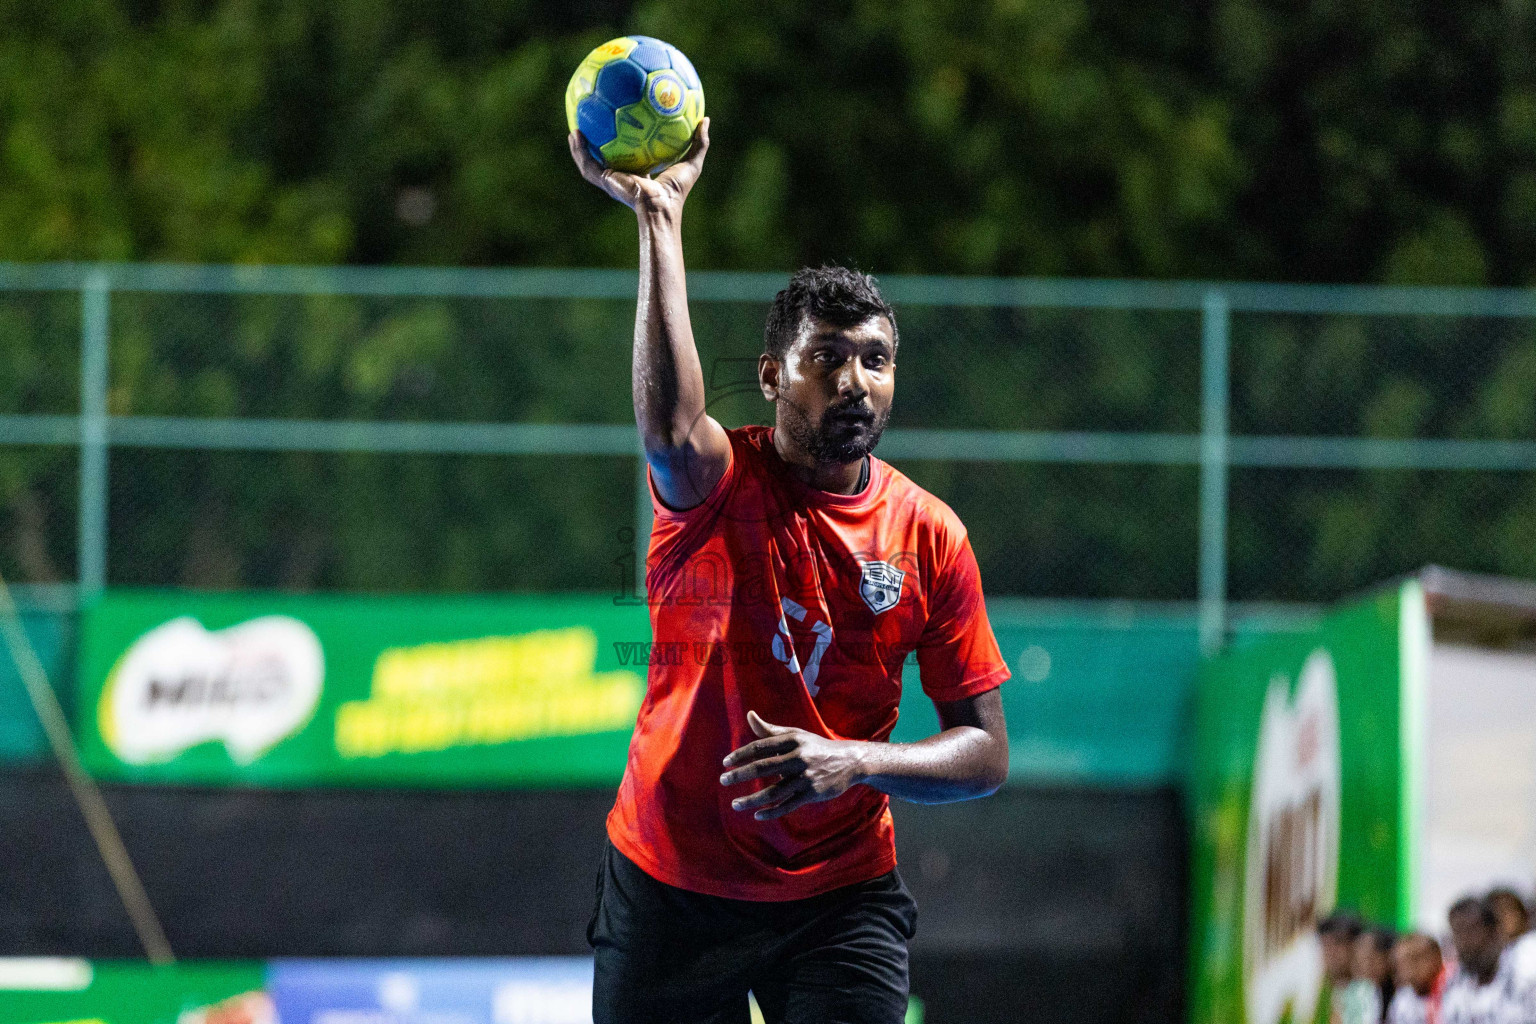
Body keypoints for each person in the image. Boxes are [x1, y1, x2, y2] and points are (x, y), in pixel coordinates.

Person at [570, 119, 1012, 1024]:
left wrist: (854, 762)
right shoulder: (711, 482)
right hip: (671, 881)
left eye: (877, 361)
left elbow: (986, 752)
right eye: (828, 359)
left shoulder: (930, 535)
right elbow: (664, 423)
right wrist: (660, 222)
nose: (856, 381)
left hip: (839, 897)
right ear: (772, 374)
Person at [1442, 896, 1511, 1024]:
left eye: (1470, 931)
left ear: (1494, 932)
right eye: (1457, 933)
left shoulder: (1524, 975)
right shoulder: (1454, 986)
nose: (1464, 942)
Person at [1388, 934, 1449, 1024]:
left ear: (1437, 957)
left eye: (1414, 959)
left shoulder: (1452, 989)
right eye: (1401, 962)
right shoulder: (1402, 998)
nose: (1409, 968)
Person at [1345, 927, 1397, 1024]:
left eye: (1369, 959)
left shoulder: (1404, 993)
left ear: (1388, 957)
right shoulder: (1371, 991)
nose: (1363, 965)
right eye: (1359, 958)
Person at [1323, 914, 1367, 1024]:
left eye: (1338, 943)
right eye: (1326, 944)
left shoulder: (1367, 991)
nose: (1331, 952)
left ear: (1355, 947)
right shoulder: (1323, 991)